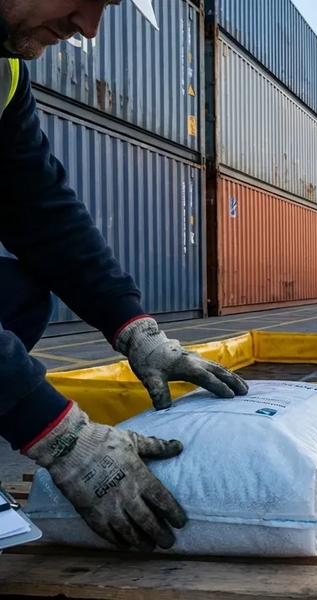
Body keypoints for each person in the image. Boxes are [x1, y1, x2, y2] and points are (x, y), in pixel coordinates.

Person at [0, 0, 249, 552]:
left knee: (16, 299)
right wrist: (58, 436)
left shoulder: (5, 68)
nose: (89, 27)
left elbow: (38, 210)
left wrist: (138, 332)